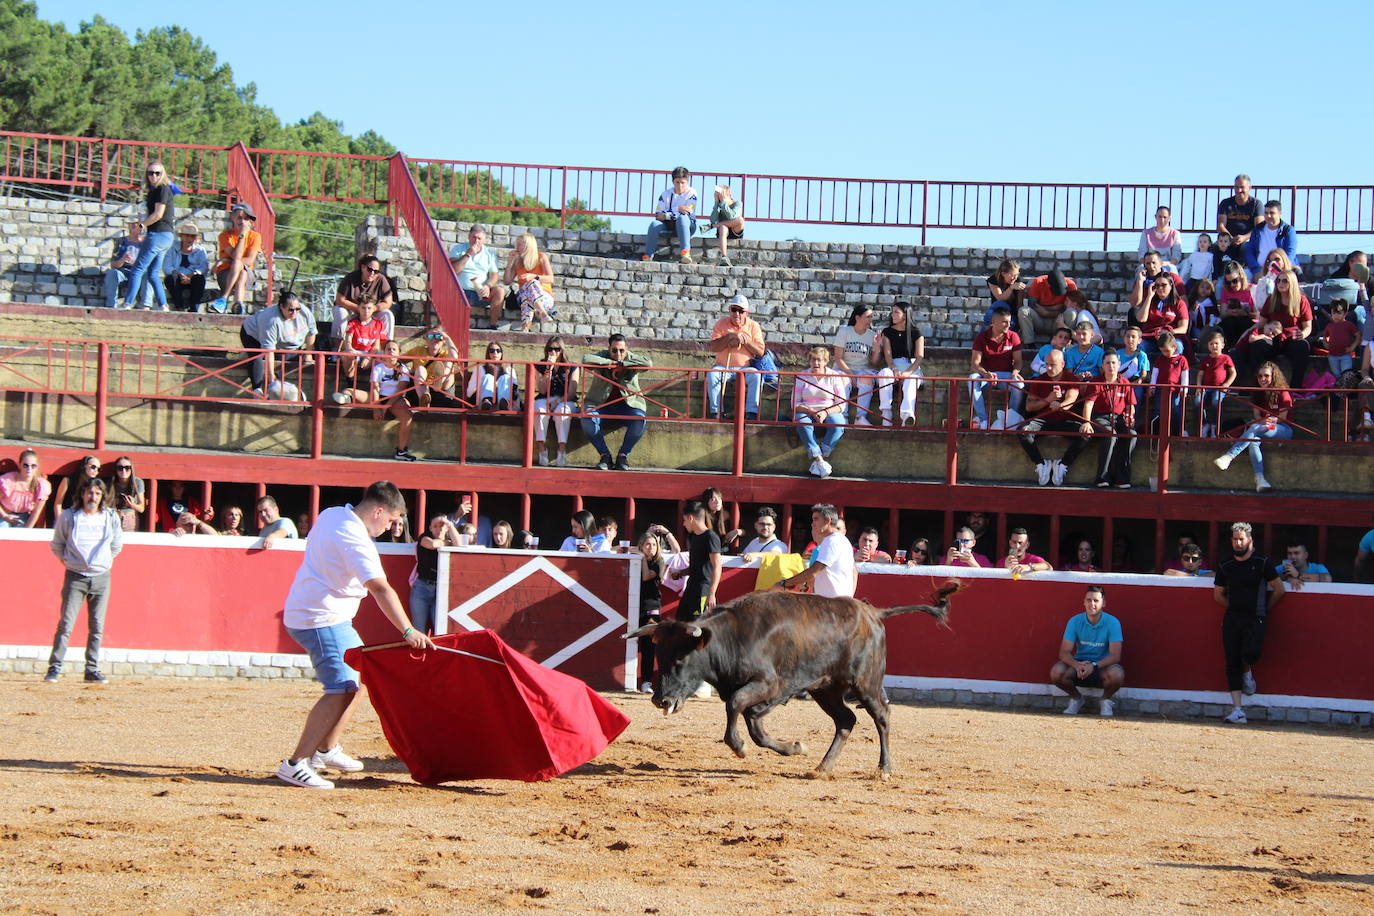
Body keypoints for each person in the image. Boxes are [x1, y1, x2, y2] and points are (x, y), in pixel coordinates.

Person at [275, 481, 434, 789]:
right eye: (390, 520)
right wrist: (408, 630)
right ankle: (296, 764)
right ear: (378, 511)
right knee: (340, 688)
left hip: (323, 614)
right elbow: (380, 588)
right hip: (320, 619)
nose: (390, 527)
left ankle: (326, 749)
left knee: (358, 679)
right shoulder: (356, 540)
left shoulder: (333, 514)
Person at [44, 478, 122, 683]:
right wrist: (70, 563)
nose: (93, 497)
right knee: (66, 624)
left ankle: (91, 669)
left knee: (97, 625)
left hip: (101, 577)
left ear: (102, 496)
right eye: (89, 492)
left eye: (97, 493)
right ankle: (54, 668)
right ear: (82, 494)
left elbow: (116, 545)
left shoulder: (111, 517)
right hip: (75, 577)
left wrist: (102, 563)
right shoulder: (69, 517)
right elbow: (57, 545)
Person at [1212, 521, 1285, 725]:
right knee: (1231, 661)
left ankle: (1247, 671)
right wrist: (1233, 608)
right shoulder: (1226, 565)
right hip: (1233, 618)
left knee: (1252, 652)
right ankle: (1238, 709)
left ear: (1250, 540)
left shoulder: (1262, 562)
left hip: (1256, 617)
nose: (1238, 542)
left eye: (1241, 539)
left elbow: (1279, 589)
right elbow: (1217, 594)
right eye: (1235, 539)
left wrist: (1265, 609)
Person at [1214, 361, 1292, 492]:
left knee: (1255, 428)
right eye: (1260, 376)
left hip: (1283, 428)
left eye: (1266, 376)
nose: (1262, 379)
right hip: (1263, 427)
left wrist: (1269, 421)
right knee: (1253, 442)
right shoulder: (1257, 393)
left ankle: (1229, 456)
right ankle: (1260, 480)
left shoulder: (1282, 391)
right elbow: (1256, 415)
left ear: (1274, 377)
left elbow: (1283, 418)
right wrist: (1262, 421)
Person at [581, 334, 652, 471]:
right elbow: (586, 359)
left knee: (640, 420)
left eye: (621, 350)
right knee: (586, 418)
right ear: (609, 349)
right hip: (600, 405)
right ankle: (605, 456)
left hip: (628, 406)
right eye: (614, 350)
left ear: (626, 349)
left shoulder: (630, 357)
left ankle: (623, 455)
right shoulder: (603, 355)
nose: (618, 354)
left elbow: (648, 363)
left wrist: (623, 365)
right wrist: (611, 364)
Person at [1050, 586, 1124, 717]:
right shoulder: (1075, 621)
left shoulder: (1113, 622)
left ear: (1104, 603)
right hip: (1079, 665)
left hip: (1102, 666)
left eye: (1096, 600)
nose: (1092, 604)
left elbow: (1115, 656)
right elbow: (1064, 652)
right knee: (1057, 672)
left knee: (1117, 674)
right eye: (1089, 600)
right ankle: (1077, 699)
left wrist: (1094, 666)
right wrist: (1076, 665)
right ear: (1083, 602)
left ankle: (1105, 700)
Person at [1019, 349, 1089, 487]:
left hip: (1066, 420)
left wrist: (1061, 405)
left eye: (1053, 365)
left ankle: (1063, 465)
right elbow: (1029, 406)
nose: (1049, 368)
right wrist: (1047, 400)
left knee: (1085, 434)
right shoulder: (1039, 380)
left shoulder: (1071, 379)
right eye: (1047, 365)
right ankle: (1040, 464)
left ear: (1062, 364)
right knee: (1022, 431)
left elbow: (1071, 399)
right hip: (1044, 419)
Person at [119, 161, 176, 311]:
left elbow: (158, 214)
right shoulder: (154, 191)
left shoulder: (162, 189)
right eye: (150, 173)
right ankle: (163, 305)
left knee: (137, 269)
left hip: (158, 234)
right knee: (152, 274)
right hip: (165, 236)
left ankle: (127, 303)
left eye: (157, 173)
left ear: (162, 174)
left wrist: (142, 225)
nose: (154, 176)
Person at [1079, 349, 1137, 489]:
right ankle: (1102, 477)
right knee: (1111, 434)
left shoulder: (1125, 382)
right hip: (1101, 418)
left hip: (1119, 419)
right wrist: (1086, 422)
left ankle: (1122, 478)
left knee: (1132, 435)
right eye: (1107, 363)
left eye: (1113, 363)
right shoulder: (1096, 382)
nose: (1111, 366)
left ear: (1119, 364)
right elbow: (1089, 404)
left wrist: (1130, 416)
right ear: (1103, 365)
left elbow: (1130, 405)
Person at [771, 504, 856, 598]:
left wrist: (784, 584)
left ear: (827, 520)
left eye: (816, 519)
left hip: (833, 604)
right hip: (837, 601)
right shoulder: (839, 540)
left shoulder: (832, 541)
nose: (812, 524)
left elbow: (814, 572)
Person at [241, 291, 318, 396]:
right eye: (290, 310)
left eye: (297, 309)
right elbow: (268, 351)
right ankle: (257, 390)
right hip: (253, 335)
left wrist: (309, 354)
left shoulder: (305, 313)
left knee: (290, 356)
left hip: (285, 342)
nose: (295, 312)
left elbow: (312, 332)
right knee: (256, 356)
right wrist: (271, 375)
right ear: (281, 307)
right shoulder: (271, 320)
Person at [706, 294, 766, 420]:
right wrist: (729, 338)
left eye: (740, 311)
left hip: (745, 368)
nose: (737, 314)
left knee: (756, 375)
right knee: (712, 374)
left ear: (746, 313)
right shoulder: (721, 324)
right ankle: (716, 411)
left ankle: (751, 412)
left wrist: (746, 341)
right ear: (730, 310)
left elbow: (760, 352)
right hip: (723, 367)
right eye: (734, 309)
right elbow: (714, 347)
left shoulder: (753, 326)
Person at [1249, 269, 1314, 386]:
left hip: (1291, 338)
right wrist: (1263, 333)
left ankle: (1295, 388)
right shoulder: (1271, 299)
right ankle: (1257, 385)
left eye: (1285, 281)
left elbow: (1308, 327)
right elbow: (1262, 323)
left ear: (1292, 283)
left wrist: (1303, 335)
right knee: (1257, 346)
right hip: (1272, 337)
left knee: (1303, 346)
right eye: (1278, 280)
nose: (1281, 283)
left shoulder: (1301, 300)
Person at [792, 345, 847, 478]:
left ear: (826, 361)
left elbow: (841, 403)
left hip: (829, 409)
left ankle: (820, 455)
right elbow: (794, 403)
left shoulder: (834, 376)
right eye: (813, 360)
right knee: (802, 422)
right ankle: (819, 460)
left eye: (819, 360)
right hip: (806, 410)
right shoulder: (802, 376)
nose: (816, 363)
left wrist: (825, 412)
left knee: (838, 425)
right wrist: (809, 410)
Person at [968, 306, 1024, 428]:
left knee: (1019, 384)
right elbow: (975, 363)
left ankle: (1011, 419)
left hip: (1006, 375)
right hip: (987, 375)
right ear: (993, 322)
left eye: (1009, 322)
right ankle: (983, 420)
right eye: (1004, 322)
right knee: (972, 379)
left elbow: (1018, 362)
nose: (1008, 325)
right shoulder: (982, 337)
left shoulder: (1013, 336)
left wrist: (1014, 373)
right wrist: (986, 374)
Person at [667, 501, 721, 620]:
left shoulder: (710, 537)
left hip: (703, 589)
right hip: (692, 587)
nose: (684, 524)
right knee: (681, 621)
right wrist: (680, 573)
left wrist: (711, 594)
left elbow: (717, 567)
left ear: (690, 518)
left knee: (697, 625)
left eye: (685, 520)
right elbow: (697, 567)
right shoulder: (693, 537)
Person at [875, 301, 925, 426]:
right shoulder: (888, 332)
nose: (893, 315)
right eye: (892, 312)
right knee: (884, 373)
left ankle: (907, 415)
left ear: (905, 314)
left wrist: (908, 372)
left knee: (911, 380)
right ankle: (886, 413)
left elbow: (920, 356)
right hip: (894, 366)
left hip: (911, 367)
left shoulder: (916, 333)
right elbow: (888, 355)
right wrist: (894, 368)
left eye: (896, 312)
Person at [207, 203, 262, 314]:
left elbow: (250, 260)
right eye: (239, 218)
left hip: (246, 276)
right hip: (225, 275)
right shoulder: (225, 236)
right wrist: (242, 236)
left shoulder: (255, 236)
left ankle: (223, 299)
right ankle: (238, 304)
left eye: (246, 219)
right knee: (241, 271)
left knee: (241, 268)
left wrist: (226, 260)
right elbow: (237, 256)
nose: (242, 222)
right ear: (232, 218)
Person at [448, 225, 505, 329]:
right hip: (461, 292)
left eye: (479, 238)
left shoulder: (490, 253)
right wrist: (468, 255)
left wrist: (488, 286)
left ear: (484, 239)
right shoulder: (458, 249)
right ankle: (455, 326)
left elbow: (494, 275)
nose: (476, 241)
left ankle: (492, 325)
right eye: (474, 237)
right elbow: (453, 270)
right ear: (469, 237)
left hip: (480, 293)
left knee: (500, 291)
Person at [534, 336, 579, 467]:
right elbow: (542, 390)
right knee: (539, 409)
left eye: (557, 349)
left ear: (562, 350)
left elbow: (572, 392)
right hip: (545, 398)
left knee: (562, 411)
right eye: (550, 349)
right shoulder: (541, 365)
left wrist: (558, 401)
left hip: (565, 399)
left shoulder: (572, 366)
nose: (553, 352)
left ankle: (562, 450)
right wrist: (549, 368)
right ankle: (541, 449)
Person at [370, 340, 419, 461]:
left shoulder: (403, 369)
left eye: (394, 349)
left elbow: (399, 391)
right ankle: (346, 397)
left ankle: (401, 451)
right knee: (350, 392)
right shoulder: (378, 368)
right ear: (384, 352)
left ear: (398, 354)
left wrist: (385, 407)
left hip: (395, 399)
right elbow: (375, 389)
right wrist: (377, 407)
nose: (391, 351)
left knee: (407, 416)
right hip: (378, 397)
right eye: (388, 349)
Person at [412, 514, 460, 635]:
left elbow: (459, 545)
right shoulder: (424, 537)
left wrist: (449, 524)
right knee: (418, 631)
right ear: (430, 528)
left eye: (441, 526)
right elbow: (432, 545)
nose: (439, 529)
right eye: (435, 526)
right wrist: (446, 542)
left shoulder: (450, 539)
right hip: (421, 587)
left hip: (440, 590)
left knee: (440, 630)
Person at [831, 304, 879, 425]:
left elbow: (874, 362)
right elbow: (838, 358)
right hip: (843, 370)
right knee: (843, 380)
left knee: (867, 380)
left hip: (862, 371)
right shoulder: (844, 332)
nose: (870, 320)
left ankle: (860, 418)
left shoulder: (872, 336)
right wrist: (851, 375)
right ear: (857, 318)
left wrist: (877, 347)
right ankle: (843, 416)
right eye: (867, 317)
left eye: (871, 317)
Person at [334, 254, 396, 343]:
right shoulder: (350, 277)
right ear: (363, 267)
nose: (372, 273)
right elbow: (340, 300)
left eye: (376, 271)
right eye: (369, 269)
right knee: (340, 312)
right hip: (351, 310)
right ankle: (336, 349)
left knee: (387, 314)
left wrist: (373, 308)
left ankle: (387, 347)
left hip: (371, 311)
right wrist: (359, 309)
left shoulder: (381, 279)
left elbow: (388, 302)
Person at [643, 166, 698, 264]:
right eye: (677, 182)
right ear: (673, 182)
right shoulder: (665, 194)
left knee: (682, 218)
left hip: (687, 226)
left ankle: (685, 252)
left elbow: (688, 211)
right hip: (668, 225)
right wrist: (677, 209)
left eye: (683, 183)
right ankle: (648, 255)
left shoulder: (692, 193)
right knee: (654, 224)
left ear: (687, 182)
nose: (680, 186)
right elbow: (658, 215)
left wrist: (667, 214)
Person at [634, 528, 667, 692]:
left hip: (651, 606)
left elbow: (646, 576)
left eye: (654, 544)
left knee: (648, 646)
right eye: (647, 544)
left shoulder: (658, 562)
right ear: (641, 546)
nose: (651, 547)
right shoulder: (634, 558)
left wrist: (642, 558)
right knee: (632, 643)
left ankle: (646, 681)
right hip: (634, 605)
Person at [503, 232, 556, 331]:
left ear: (528, 246)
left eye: (520, 244)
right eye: (516, 244)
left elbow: (551, 279)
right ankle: (542, 312)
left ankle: (525, 327)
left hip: (544, 298)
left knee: (531, 286)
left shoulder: (541, 257)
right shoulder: (518, 261)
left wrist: (534, 276)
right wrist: (510, 261)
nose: (517, 247)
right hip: (524, 295)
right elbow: (507, 281)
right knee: (527, 291)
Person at [1018, 269, 1081, 346]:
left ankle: (1065, 342)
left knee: (1071, 312)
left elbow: (1072, 306)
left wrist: (1047, 312)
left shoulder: (1071, 285)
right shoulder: (1038, 282)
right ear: (1048, 284)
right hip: (1040, 321)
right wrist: (1057, 307)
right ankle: (1029, 343)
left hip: (1058, 321)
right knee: (1023, 311)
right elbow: (1033, 306)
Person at [1133, 273, 1190, 358]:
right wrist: (1149, 297)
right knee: (1139, 347)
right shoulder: (1149, 301)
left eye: (1163, 285)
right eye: (1157, 285)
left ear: (1171, 285)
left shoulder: (1179, 304)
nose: (1160, 288)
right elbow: (1141, 319)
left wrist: (1168, 333)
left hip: (1170, 338)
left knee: (1177, 347)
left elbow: (1183, 328)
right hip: (1151, 338)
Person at [404, 327, 463, 409]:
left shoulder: (446, 354)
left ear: (443, 340)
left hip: (442, 391)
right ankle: (424, 399)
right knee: (420, 369)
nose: (435, 339)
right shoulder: (417, 351)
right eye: (431, 336)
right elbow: (398, 360)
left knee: (449, 362)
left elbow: (454, 357)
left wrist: (447, 338)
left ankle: (438, 382)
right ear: (426, 338)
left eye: (438, 337)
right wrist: (407, 370)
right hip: (419, 390)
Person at [101, 219, 153, 309]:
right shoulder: (121, 242)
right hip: (124, 270)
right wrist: (122, 259)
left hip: (141, 272)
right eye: (133, 225)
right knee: (112, 273)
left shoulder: (148, 242)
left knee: (150, 274)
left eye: (139, 225)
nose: (136, 227)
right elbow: (113, 265)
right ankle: (111, 305)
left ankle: (145, 304)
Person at [1196, 329, 1237, 438]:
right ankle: (1204, 425)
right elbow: (1200, 374)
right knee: (1197, 402)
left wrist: (1227, 384)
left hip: (1220, 388)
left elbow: (1233, 373)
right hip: (1205, 387)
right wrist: (1199, 386)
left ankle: (1215, 426)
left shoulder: (1226, 358)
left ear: (1222, 345)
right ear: (1208, 346)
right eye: (1211, 344)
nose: (1214, 346)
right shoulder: (1205, 360)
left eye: (1216, 343)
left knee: (1216, 401)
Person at [1244, 200, 1299, 279]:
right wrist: (1256, 270)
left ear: (1280, 213)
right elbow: (1250, 251)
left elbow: (1290, 252)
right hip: (1259, 269)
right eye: (1266, 213)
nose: (1268, 216)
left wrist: (1281, 270)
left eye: (1272, 213)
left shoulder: (1288, 230)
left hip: (1281, 269)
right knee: (1242, 278)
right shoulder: (1257, 229)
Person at [1147, 332, 1189, 436]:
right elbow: (1155, 374)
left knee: (1175, 409)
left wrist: (1184, 389)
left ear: (1174, 347)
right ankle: (1157, 432)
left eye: (1167, 350)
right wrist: (1152, 386)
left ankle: (1178, 431)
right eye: (1162, 351)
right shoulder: (1160, 359)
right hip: (1160, 389)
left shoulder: (1181, 360)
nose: (1165, 353)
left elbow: (1185, 376)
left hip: (1175, 390)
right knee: (1158, 410)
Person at [0, 448, 52, 528]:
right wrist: (4, 516)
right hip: (3, 513)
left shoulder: (41, 485)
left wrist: (27, 531)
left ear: (37, 467)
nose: (29, 469)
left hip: (23, 516)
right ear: (19, 465)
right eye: (25, 465)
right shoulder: (8, 480)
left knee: (19, 537)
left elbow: (36, 512)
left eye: (33, 466)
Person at [163, 222, 209, 311]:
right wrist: (178, 274)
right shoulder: (172, 248)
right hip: (177, 277)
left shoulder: (200, 250)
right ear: (181, 236)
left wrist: (192, 275)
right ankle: (179, 307)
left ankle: (194, 309)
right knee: (170, 279)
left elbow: (204, 267)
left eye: (192, 236)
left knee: (199, 279)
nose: (189, 238)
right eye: (187, 236)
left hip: (193, 278)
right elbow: (166, 267)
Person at [466, 341, 520, 412]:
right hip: (482, 404)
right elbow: (469, 392)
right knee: (488, 377)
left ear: (501, 354)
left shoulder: (509, 370)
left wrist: (498, 387)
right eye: (492, 351)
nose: (495, 353)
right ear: (488, 354)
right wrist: (486, 385)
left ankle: (504, 403)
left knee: (505, 378)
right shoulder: (480, 369)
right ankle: (487, 401)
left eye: (498, 351)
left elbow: (516, 392)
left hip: (504, 406)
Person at [1217, 174, 1261, 249]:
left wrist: (1244, 237)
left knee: (1246, 248)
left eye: (1242, 187)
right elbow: (1221, 225)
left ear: (1249, 188)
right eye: (1236, 187)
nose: (1239, 190)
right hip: (1228, 240)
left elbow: (1259, 227)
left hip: (1248, 240)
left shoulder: (1256, 204)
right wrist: (1230, 239)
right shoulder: (1225, 203)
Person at [705, 184, 745, 265]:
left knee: (740, 220)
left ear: (730, 195)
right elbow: (712, 219)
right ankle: (724, 257)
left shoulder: (737, 203)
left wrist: (724, 203)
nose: (721, 198)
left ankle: (716, 226)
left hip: (735, 229)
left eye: (723, 195)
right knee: (723, 227)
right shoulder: (719, 205)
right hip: (723, 231)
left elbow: (732, 216)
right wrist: (716, 203)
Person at [985, 258, 1027, 330]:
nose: (1014, 278)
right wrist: (1011, 288)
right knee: (996, 308)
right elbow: (1000, 298)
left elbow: (1019, 305)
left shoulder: (1018, 281)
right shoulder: (993, 280)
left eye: (1016, 275)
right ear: (1003, 273)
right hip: (997, 310)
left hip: (1011, 313)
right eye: (1011, 275)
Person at [1322, 300, 1361, 376]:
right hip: (1332, 356)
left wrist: (1352, 347)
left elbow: (1358, 335)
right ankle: (1338, 386)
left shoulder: (1348, 325)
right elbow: (1325, 337)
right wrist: (1325, 343)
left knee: (1346, 373)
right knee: (1336, 374)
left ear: (1345, 313)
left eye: (1339, 313)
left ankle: (1345, 387)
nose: (1336, 315)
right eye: (1333, 313)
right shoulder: (1329, 326)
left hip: (1346, 355)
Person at [107, 456, 145, 532]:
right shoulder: (111, 482)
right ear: (116, 470)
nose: (124, 471)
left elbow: (141, 508)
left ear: (131, 469)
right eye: (120, 468)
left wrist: (131, 505)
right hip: (114, 516)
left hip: (130, 517)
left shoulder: (137, 482)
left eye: (127, 468)